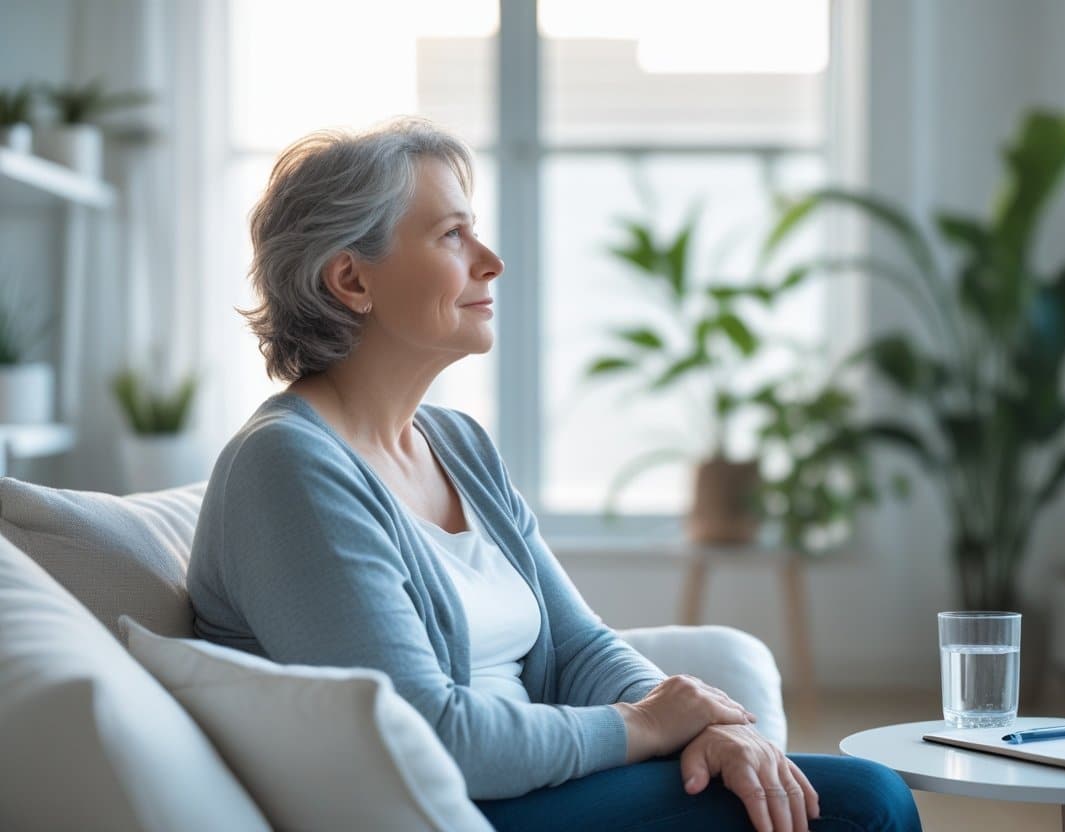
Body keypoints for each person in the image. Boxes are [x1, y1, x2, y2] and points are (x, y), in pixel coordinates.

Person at [186, 115, 923, 832]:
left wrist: (693, 724)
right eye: (451, 234)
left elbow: (577, 646)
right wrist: (646, 724)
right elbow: (427, 740)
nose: (490, 259)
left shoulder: (457, 445)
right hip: (458, 808)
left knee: (836, 791)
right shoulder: (287, 468)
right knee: (866, 803)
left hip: (539, 784)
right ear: (351, 279)